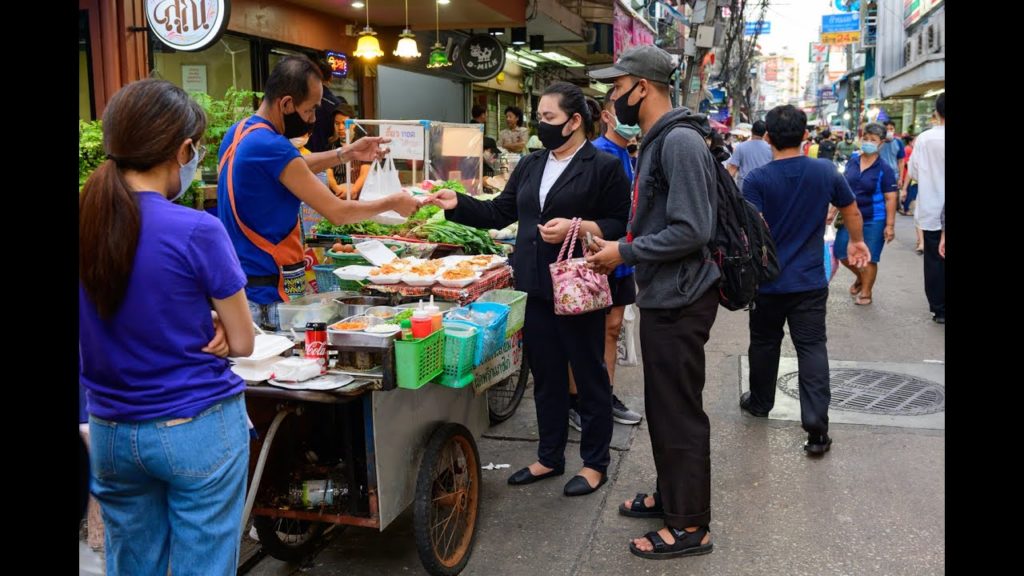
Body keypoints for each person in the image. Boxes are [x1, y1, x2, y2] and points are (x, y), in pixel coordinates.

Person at [80, 78, 256, 575]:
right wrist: (216, 322)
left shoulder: (87, 224)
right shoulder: (197, 229)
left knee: (132, 565)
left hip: (111, 430)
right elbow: (243, 342)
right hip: (196, 425)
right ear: (183, 150)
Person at [423, 81, 630, 498]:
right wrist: (457, 203)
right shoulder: (533, 163)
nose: (542, 124)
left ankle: (595, 463)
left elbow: (620, 223)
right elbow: (500, 212)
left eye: (549, 117)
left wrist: (577, 227)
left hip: (577, 288)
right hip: (534, 284)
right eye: (539, 117)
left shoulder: (603, 166)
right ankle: (549, 456)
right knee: (546, 376)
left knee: (588, 375)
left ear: (574, 121)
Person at [586, 45, 720, 560]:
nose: (612, 98)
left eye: (618, 87)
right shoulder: (660, 139)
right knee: (664, 407)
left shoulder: (679, 141)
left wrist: (625, 251)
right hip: (667, 293)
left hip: (682, 297)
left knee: (678, 412)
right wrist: (621, 245)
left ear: (642, 87)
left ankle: (690, 526)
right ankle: (672, 497)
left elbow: (692, 229)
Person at [216, 56, 420, 330]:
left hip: (246, 287)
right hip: (269, 295)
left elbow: (293, 166)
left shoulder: (240, 132)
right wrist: (393, 201)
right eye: (310, 110)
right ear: (286, 104)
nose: (313, 119)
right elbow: (338, 213)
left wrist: (346, 153)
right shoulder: (271, 145)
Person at [738, 104, 871, 456]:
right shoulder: (824, 171)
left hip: (767, 281)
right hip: (810, 281)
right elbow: (851, 209)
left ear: (768, 138)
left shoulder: (757, 179)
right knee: (811, 348)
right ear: (805, 135)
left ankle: (761, 402)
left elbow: (749, 229)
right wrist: (857, 241)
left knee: (764, 342)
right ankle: (816, 427)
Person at [566, 92, 643, 432]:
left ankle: (604, 396)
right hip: (595, 258)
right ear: (607, 118)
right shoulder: (595, 154)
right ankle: (577, 400)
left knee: (613, 329)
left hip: (623, 257)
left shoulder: (629, 154)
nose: (630, 118)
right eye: (620, 111)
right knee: (586, 335)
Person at [833, 122, 899, 306]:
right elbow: (843, 188)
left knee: (869, 258)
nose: (868, 142)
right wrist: (833, 210)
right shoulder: (853, 161)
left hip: (874, 219)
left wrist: (890, 226)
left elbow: (891, 198)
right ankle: (862, 278)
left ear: (881, 143)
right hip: (850, 217)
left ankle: (866, 292)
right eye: (866, 138)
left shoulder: (884, 169)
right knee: (841, 252)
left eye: (873, 140)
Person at [905, 94, 945, 323]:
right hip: (933, 209)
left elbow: (914, 172)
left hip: (932, 209)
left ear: (937, 113)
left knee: (934, 259)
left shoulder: (925, 138)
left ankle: (939, 309)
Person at [306, 57, 348, 153]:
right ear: (331, 78)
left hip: (303, 154)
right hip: (327, 154)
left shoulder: (303, 101)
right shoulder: (337, 104)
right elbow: (340, 135)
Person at [725, 120, 772, 192]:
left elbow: (732, 170)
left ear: (752, 131)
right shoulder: (771, 148)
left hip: (744, 186)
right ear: (765, 133)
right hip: (764, 186)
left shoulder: (740, 147)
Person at [470, 104, 500, 177]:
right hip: (481, 171)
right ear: (483, 115)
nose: (487, 115)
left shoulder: (468, 127)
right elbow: (493, 160)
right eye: (486, 113)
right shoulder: (489, 141)